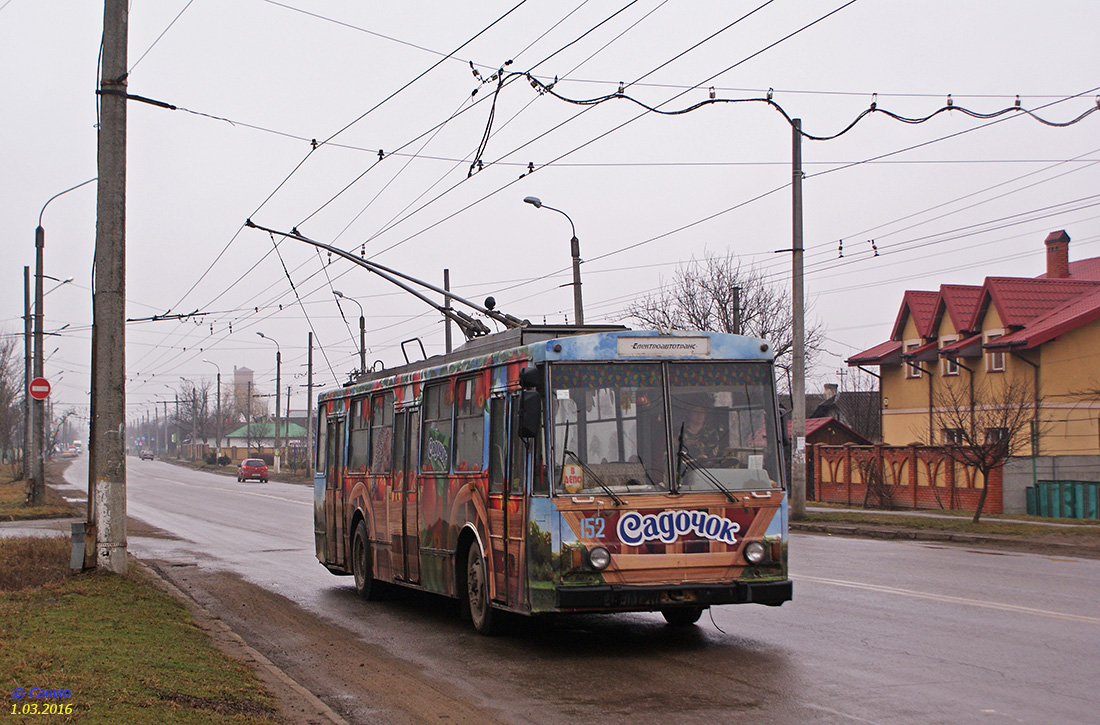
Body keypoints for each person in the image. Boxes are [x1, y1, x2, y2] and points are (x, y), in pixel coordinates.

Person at [675, 392, 724, 464]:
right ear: (689, 414)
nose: (699, 415)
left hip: (704, 468)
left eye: (702, 412)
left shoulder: (711, 433)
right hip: (682, 468)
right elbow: (673, 453)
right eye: (696, 412)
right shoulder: (679, 432)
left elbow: (711, 455)